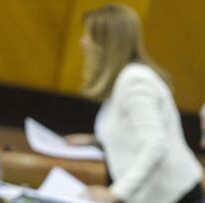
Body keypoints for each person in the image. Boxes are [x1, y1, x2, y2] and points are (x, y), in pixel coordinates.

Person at [66, 4, 203, 203]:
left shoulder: (135, 80)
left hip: (175, 197)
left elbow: (155, 144)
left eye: (90, 35)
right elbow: (131, 131)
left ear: (107, 43)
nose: (83, 41)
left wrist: (116, 193)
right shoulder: (123, 79)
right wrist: (94, 140)